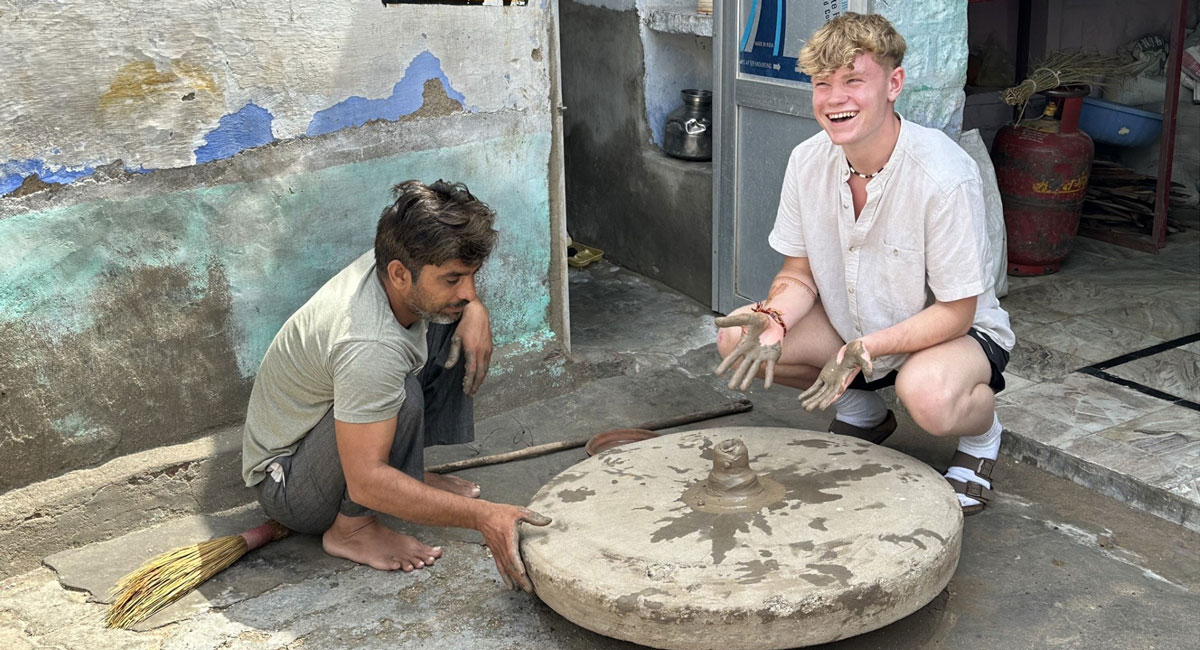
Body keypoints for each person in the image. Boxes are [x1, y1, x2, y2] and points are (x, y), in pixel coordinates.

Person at [714, 13, 1014, 516]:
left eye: (854, 80)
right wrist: (774, 318)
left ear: (893, 83)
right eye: (822, 84)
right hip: (853, 329)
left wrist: (868, 348)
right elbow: (798, 273)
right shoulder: (807, 161)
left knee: (929, 397)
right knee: (739, 339)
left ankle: (983, 438)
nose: (835, 99)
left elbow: (957, 311)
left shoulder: (942, 176)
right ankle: (864, 410)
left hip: (952, 334)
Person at [241, 179, 549, 591]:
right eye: (454, 278)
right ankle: (352, 529)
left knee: (448, 318)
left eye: (472, 276)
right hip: (292, 486)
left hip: (326, 436)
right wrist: (482, 516)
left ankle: (408, 473)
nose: (469, 290)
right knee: (402, 399)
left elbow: (456, 293)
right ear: (400, 273)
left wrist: (475, 309)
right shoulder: (369, 344)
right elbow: (365, 480)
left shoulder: (397, 257)